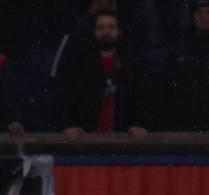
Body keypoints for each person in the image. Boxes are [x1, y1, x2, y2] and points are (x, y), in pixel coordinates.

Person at [52, 10, 148, 141]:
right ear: (94, 32)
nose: (106, 32)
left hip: (124, 139)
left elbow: (143, 98)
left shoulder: (134, 63)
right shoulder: (79, 63)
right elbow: (63, 95)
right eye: (100, 28)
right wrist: (69, 125)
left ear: (119, 32)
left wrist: (138, 125)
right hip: (85, 138)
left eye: (111, 27)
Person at [168, 0, 209, 131]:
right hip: (184, 122)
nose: (203, 17)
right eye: (199, 12)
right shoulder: (180, 48)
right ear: (193, 15)